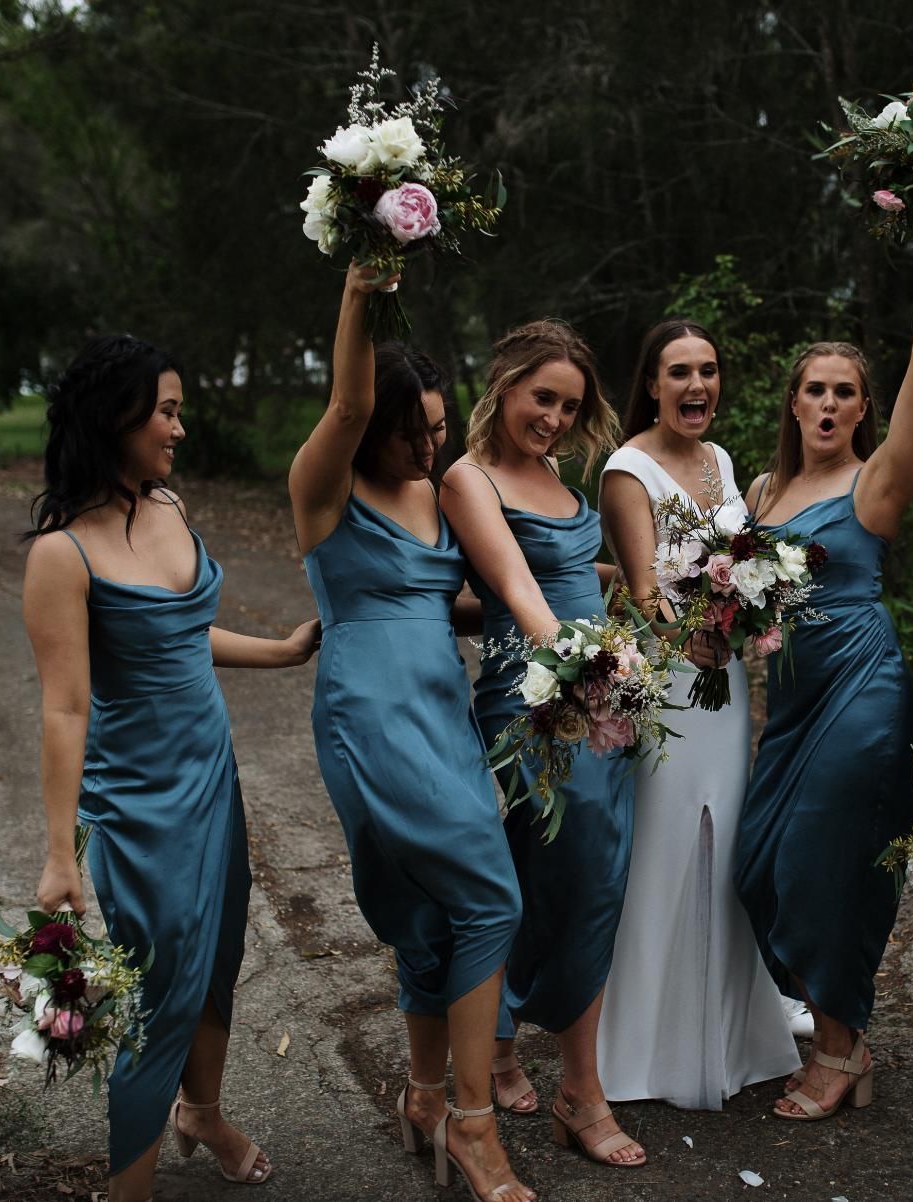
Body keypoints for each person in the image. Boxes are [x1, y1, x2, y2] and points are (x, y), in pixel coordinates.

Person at [23, 335, 320, 1202]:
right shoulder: (60, 556)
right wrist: (56, 854)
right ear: (116, 419)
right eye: (166, 410)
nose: (179, 429)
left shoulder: (170, 509)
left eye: (178, 409)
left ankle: (203, 1112)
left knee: (217, 956)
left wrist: (281, 650)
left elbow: (183, 639)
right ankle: (130, 1190)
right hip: (139, 806)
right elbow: (64, 708)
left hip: (211, 782)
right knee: (157, 994)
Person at [288, 265, 532, 1202]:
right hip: (371, 716)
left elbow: (448, 602)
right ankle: (475, 1127)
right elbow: (348, 404)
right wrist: (357, 287)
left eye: (438, 426)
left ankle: (426, 1097)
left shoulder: (432, 494)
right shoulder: (324, 490)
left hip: (444, 711)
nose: (428, 445)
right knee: (489, 896)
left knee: (436, 918)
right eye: (410, 430)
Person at [736, 172, 913, 1123]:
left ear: (862, 409)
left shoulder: (874, 487)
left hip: (860, 687)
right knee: (756, 865)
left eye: (844, 394)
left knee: (821, 866)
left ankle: (837, 1048)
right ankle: (840, 1034)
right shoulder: (756, 495)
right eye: (813, 392)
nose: (828, 405)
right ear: (791, 404)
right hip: (786, 705)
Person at [440, 320, 646, 1168]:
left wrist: (631, 606)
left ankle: (562, 1075)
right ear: (504, 385)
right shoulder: (466, 476)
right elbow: (516, 587)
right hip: (531, 702)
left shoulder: (559, 474)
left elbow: (564, 566)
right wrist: (585, 666)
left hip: (602, 691)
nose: (555, 419)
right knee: (545, 878)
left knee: (591, 880)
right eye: (542, 398)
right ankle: (543, 1071)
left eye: (569, 405)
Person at [594, 319, 801, 1110]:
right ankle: (645, 1044)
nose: (696, 387)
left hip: (725, 680)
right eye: (678, 373)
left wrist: (748, 613)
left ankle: (729, 1030)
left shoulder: (718, 460)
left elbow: (734, 562)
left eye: (708, 371)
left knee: (725, 839)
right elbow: (645, 590)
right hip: (673, 680)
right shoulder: (626, 469)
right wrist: (699, 640)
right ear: (650, 383)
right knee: (668, 838)